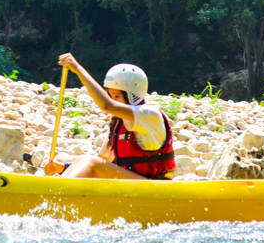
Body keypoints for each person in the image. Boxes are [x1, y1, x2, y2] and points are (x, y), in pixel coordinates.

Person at [43, 53, 176, 180]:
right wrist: (65, 167)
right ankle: (53, 194)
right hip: (132, 186)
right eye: (111, 96)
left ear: (133, 94)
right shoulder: (118, 126)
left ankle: (56, 196)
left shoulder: (149, 114)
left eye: (117, 96)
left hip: (154, 188)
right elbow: (103, 162)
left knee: (89, 161)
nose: (113, 100)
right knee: (83, 159)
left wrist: (78, 69)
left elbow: (107, 106)